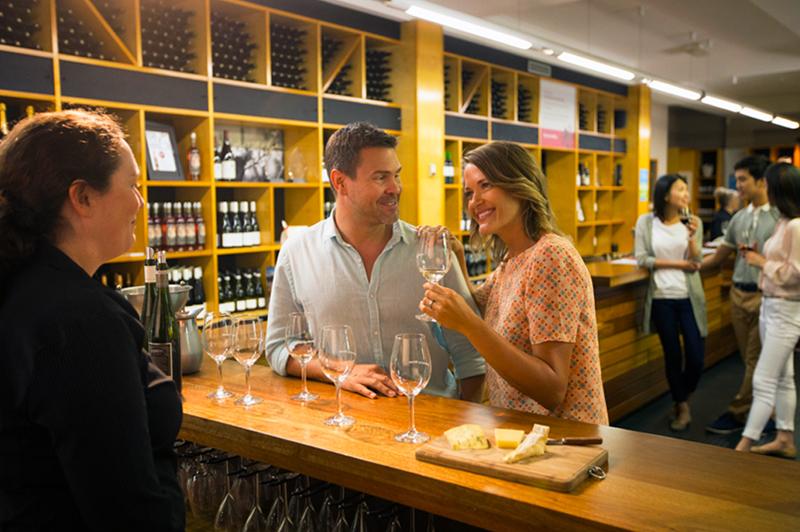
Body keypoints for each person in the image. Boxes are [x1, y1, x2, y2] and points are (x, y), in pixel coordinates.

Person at [0, 110, 184, 530]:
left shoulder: (21, 286)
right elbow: (131, 514)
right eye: (132, 185)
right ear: (82, 197)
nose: (140, 202)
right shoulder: (80, 322)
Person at [265, 122, 485, 400]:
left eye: (396, 175)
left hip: (430, 416)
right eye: (381, 178)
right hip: (342, 418)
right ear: (340, 182)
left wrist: (461, 420)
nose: (396, 188)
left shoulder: (432, 251)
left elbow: (472, 356)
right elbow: (279, 347)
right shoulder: (296, 254)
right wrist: (341, 370)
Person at [418, 141, 608, 425]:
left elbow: (552, 389)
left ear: (519, 185)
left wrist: (468, 324)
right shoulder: (513, 258)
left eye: (486, 185)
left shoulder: (550, 256)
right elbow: (481, 309)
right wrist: (457, 258)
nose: (474, 202)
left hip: (564, 438)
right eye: (469, 192)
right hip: (521, 432)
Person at [702, 155, 780, 435]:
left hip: (765, 296)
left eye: (743, 179)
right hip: (738, 295)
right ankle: (769, 413)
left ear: (762, 181)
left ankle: (738, 411)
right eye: (737, 180)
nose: (738, 186)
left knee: (755, 359)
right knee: (750, 359)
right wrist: (693, 264)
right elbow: (721, 254)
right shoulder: (739, 218)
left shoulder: (780, 218)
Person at [735, 163, 800, 458]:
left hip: (786, 309)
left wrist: (762, 263)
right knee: (784, 377)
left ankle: (744, 446)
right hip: (771, 305)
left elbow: (795, 273)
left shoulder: (795, 225)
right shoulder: (784, 222)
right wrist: (760, 259)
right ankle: (785, 438)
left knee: (763, 379)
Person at [634, 174, 707, 431]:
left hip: (688, 297)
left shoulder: (693, 222)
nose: (686, 194)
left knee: (696, 357)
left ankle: (682, 395)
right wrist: (678, 264)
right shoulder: (646, 222)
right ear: (666, 195)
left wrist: (692, 237)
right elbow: (642, 258)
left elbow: (696, 261)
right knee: (673, 354)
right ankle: (682, 406)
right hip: (661, 298)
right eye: (680, 189)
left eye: (687, 189)